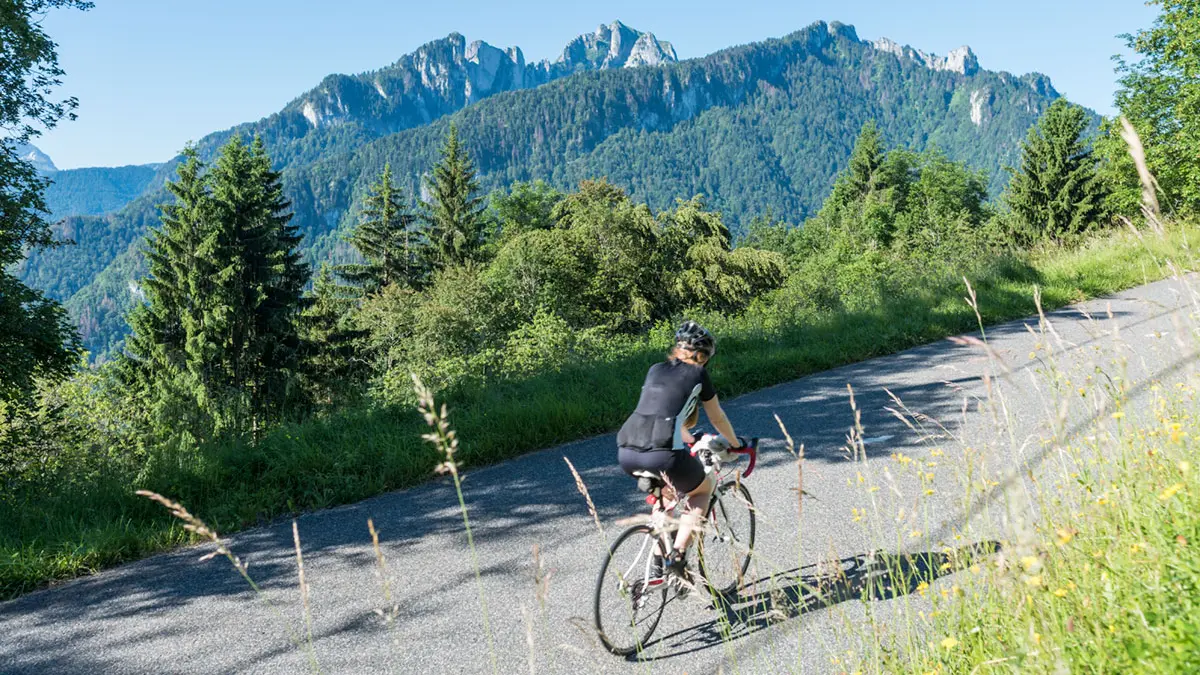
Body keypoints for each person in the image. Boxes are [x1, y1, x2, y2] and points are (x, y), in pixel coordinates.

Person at [616, 320, 745, 578]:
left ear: (677, 348)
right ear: (704, 356)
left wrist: (688, 439)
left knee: (666, 498)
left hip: (627, 448)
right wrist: (735, 444)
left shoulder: (655, 369)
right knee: (702, 490)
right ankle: (676, 555)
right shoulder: (698, 374)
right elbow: (717, 417)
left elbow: (663, 413)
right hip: (662, 452)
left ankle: (657, 564)